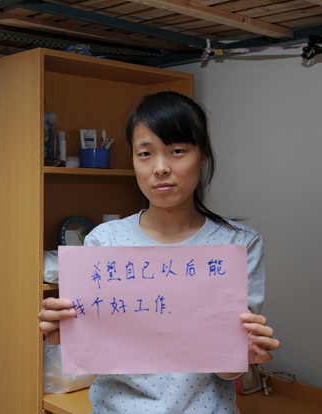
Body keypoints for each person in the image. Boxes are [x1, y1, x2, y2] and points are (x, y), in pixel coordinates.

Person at [39, 91, 280, 414]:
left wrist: (241, 355)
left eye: (177, 151)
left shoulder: (238, 244)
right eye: (145, 153)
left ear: (203, 156)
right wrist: (64, 335)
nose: (161, 168)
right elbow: (95, 351)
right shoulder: (104, 241)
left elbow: (227, 370)